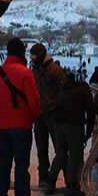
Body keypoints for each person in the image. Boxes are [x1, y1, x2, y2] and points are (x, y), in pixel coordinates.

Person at [0, 38, 43, 196]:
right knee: (21, 167)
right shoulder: (25, 73)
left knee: (4, 164)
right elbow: (34, 102)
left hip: (3, 127)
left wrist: (4, 112)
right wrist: (33, 115)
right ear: (22, 52)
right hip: (22, 126)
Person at [45, 73, 97, 196]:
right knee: (75, 154)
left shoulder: (62, 92)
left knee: (61, 154)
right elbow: (90, 111)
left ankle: (50, 182)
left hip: (59, 125)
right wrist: (89, 131)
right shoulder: (83, 90)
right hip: (74, 125)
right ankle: (71, 186)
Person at [30, 43, 69, 186]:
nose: (32, 58)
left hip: (53, 114)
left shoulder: (55, 71)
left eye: (34, 56)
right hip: (38, 115)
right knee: (41, 148)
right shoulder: (33, 69)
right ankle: (43, 177)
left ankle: (68, 178)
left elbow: (63, 93)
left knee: (60, 148)